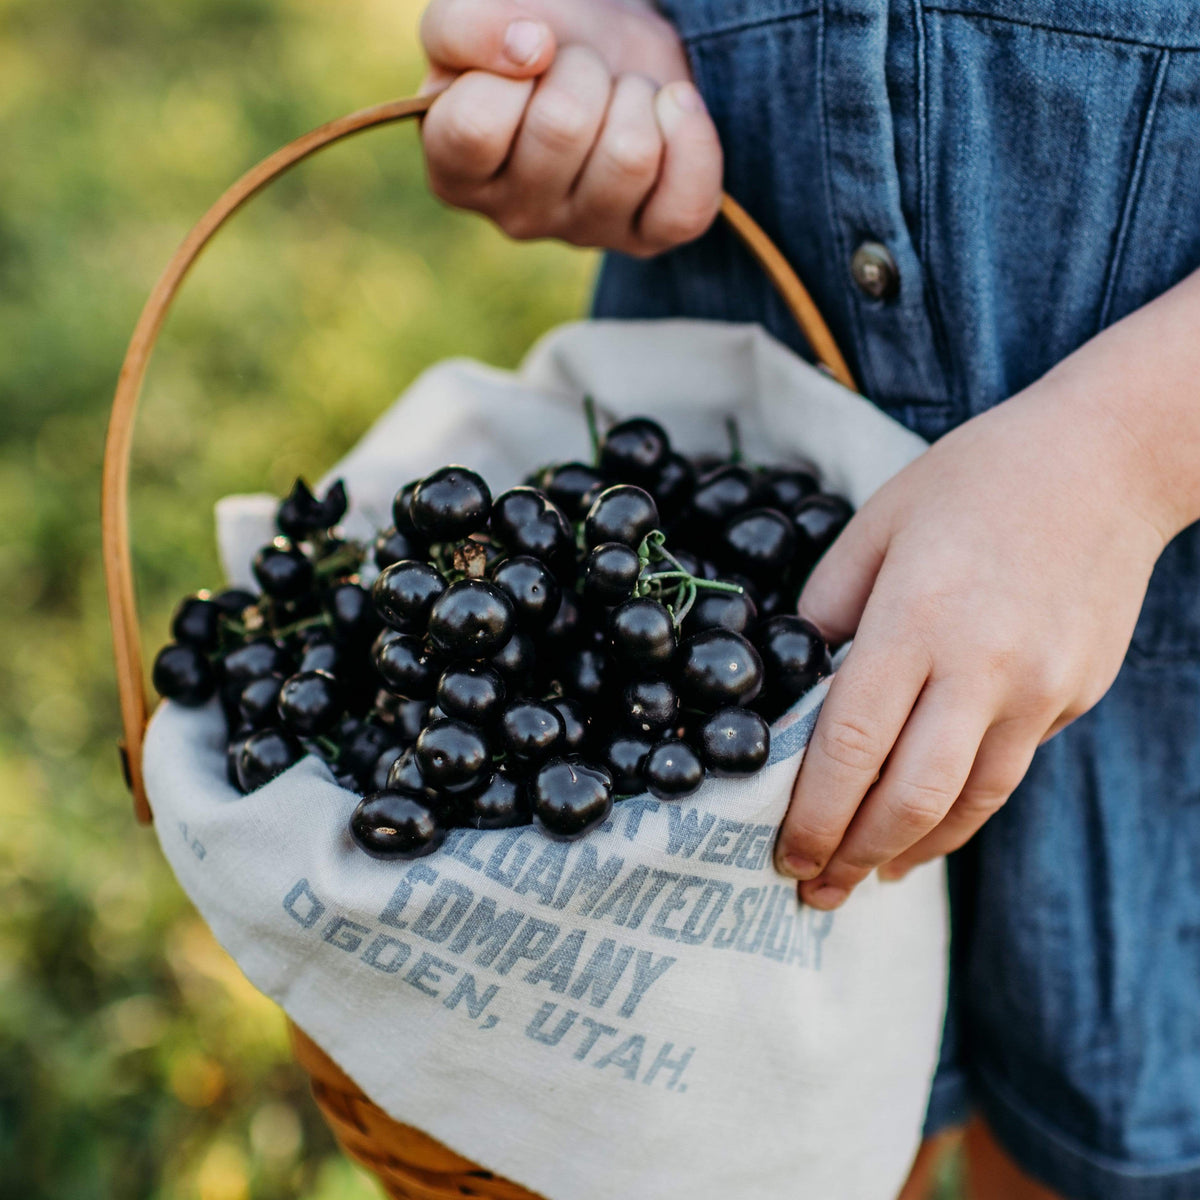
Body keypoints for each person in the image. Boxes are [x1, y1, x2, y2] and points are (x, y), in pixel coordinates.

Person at [414, 2, 1200, 1197]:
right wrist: (576, 45)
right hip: (732, 385)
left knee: (1089, 1148)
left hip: (1155, 585)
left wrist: (1127, 456)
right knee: (734, 1135)